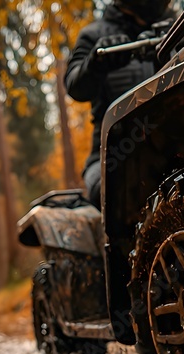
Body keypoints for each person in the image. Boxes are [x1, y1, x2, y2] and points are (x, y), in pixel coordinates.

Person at [64, 0, 172, 207]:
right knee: (116, 192)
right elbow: (75, 86)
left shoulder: (181, 26)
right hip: (112, 156)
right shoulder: (93, 34)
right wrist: (95, 63)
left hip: (180, 146)